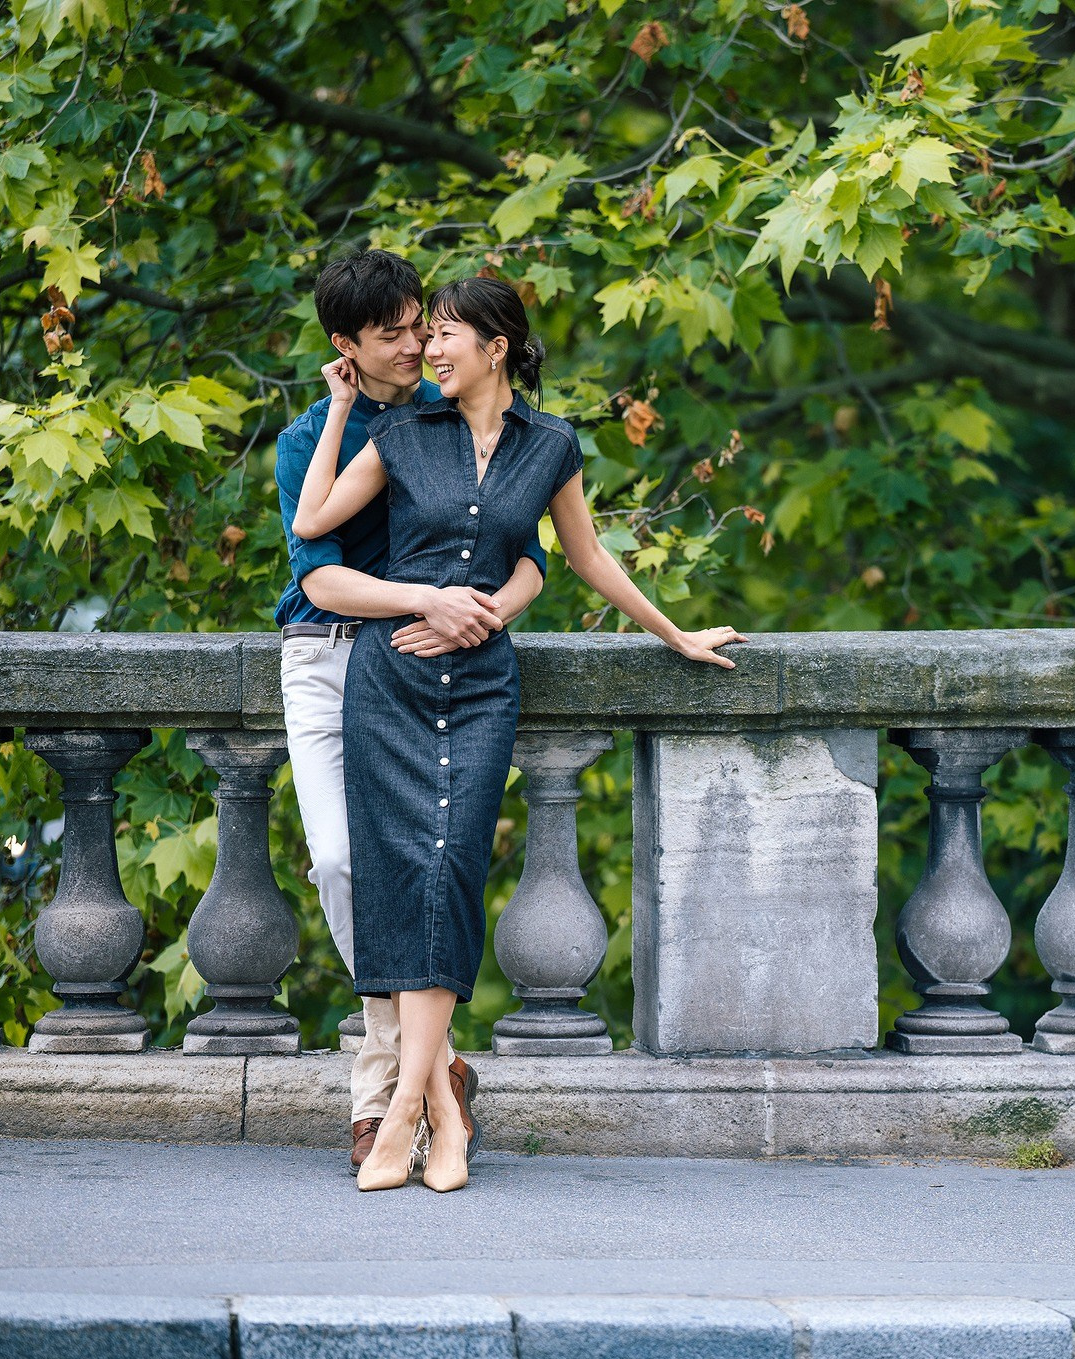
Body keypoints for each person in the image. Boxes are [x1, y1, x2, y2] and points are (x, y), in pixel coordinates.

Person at [292, 274, 744, 1192]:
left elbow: (580, 559)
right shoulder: (396, 433)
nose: (431, 349)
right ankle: (432, 1116)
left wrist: (675, 634)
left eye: (448, 333)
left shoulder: (553, 446)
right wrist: (339, 412)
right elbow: (311, 532)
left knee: (453, 868)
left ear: (497, 347)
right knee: (395, 872)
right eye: (427, 335)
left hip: (485, 686)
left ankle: (413, 1110)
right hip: (390, 680)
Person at [274, 250, 545, 1176]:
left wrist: (490, 608)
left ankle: (382, 1098)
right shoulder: (313, 436)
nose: (415, 343)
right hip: (327, 657)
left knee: (431, 865)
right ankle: (435, 1083)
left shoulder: (457, 416)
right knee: (345, 864)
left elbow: (526, 549)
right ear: (344, 346)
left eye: (421, 325)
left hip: (429, 669)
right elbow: (316, 567)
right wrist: (423, 601)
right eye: (391, 333)